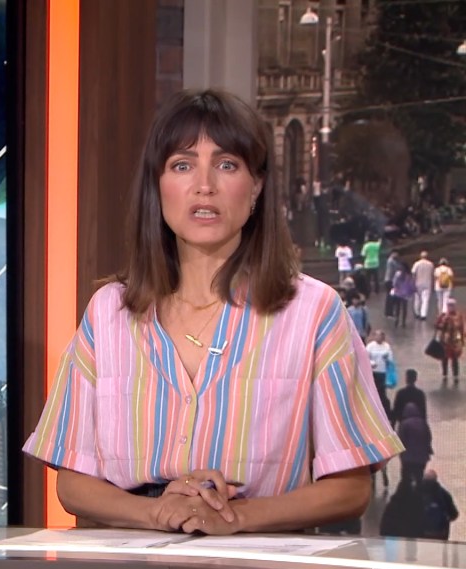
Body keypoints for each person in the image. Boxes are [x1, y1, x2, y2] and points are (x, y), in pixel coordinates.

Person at [22, 89, 402, 534]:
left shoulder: (314, 312)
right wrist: (157, 513)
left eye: (227, 165)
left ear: (256, 185)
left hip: (257, 555)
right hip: (132, 555)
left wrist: (234, 518)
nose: (204, 185)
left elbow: (350, 489)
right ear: (158, 185)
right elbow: (73, 481)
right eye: (182, 165)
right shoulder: (109, 312)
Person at [395, 402, 432, 487]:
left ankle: (407, 492)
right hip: (422, 457)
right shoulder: (423, 422)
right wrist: (428, 449)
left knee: (406, 478)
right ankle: (419, 491)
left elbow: (401, 440)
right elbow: (428, 437)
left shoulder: (404, 424)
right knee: (419, 477)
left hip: (408, 457)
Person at [421, 469, 460, 541]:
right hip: (439, 535)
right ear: (436, 479)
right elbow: (454, 515)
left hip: (420, 535)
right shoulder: (444, 494)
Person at [364, 330, 394, 422]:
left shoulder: (386, 346)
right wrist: (371, 363)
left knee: (382, 392)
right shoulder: (370, 346)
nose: (378, 338)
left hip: (382, 372)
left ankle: (384, 411)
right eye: (377, 336)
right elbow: (365, 357)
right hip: (373, 372)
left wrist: (387, 358)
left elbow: (390, 358)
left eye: (380, 336)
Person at [435, 298, 465, 385]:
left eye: (452, 305)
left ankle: (455, 375)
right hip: (444, 341)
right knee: (444, 358)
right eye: (449, 305)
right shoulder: (443, 315)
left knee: (455, 359)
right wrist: (443, 321)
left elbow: (461, 328)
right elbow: (437, 326)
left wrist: (462, 340)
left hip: (455, 341)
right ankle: (445, 374)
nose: (450, 307)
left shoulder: (458, 316)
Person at [391, 260, 415, 328]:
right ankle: (403, 322)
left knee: (397, 307)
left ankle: (397, 319)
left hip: (398, 293)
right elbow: (411, 284)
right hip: (406, 294)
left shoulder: (398, 274)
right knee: (404, 308)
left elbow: (394, 283)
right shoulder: (409, 275)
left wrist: (395, 287)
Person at [412, 251, 435, 320]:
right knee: (425, 299)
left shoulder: (417, 264)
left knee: (417, 299)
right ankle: (423, 314)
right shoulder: (430, 264)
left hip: (418, 283)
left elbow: (413, 273)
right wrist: (433, 284)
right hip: (427, 283)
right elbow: (432, 275)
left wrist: (413, 282)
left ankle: (417, 312)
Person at [384, 250, 400, 318]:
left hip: (389, 280)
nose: (397, 255)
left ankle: (389, 312)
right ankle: (389, 312)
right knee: (390, 296)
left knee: (389, 296)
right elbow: (392, 272)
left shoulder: (391, 261)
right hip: (390, 281)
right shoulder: (391, 261)